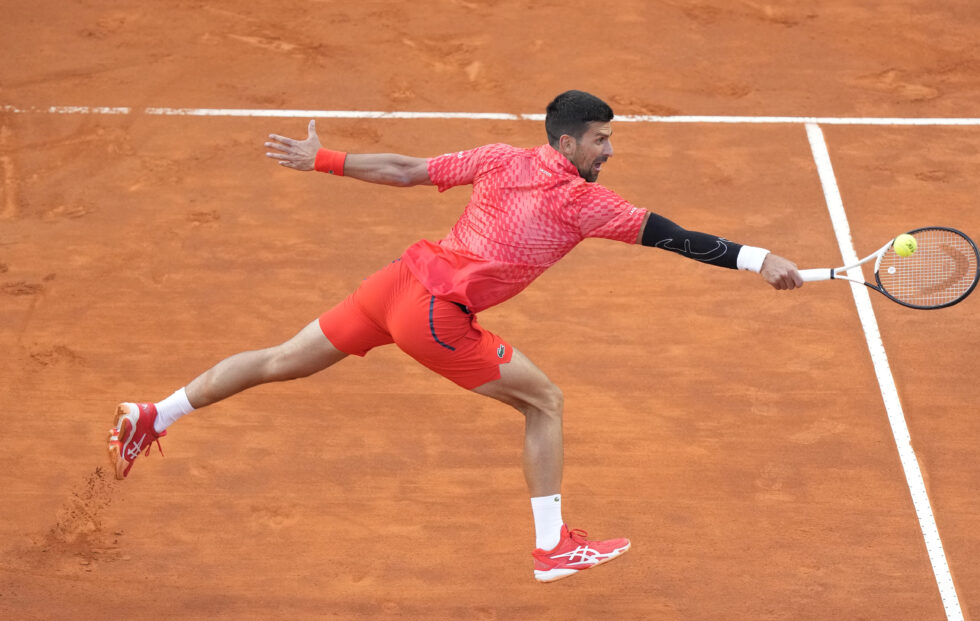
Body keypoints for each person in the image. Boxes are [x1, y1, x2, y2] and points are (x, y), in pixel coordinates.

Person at [108, 90, 802, 583]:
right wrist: (756, 258)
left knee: (281, 359)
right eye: (600, 139)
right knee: (546, 403)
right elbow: (676, 238)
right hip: (436, 317)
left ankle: (155, 413)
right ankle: (552, 546)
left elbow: (406, 171)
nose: (609, 151)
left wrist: (325, 159)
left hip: (395, 284)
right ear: (566, 141)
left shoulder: (501, 157)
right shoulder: (583, 201)